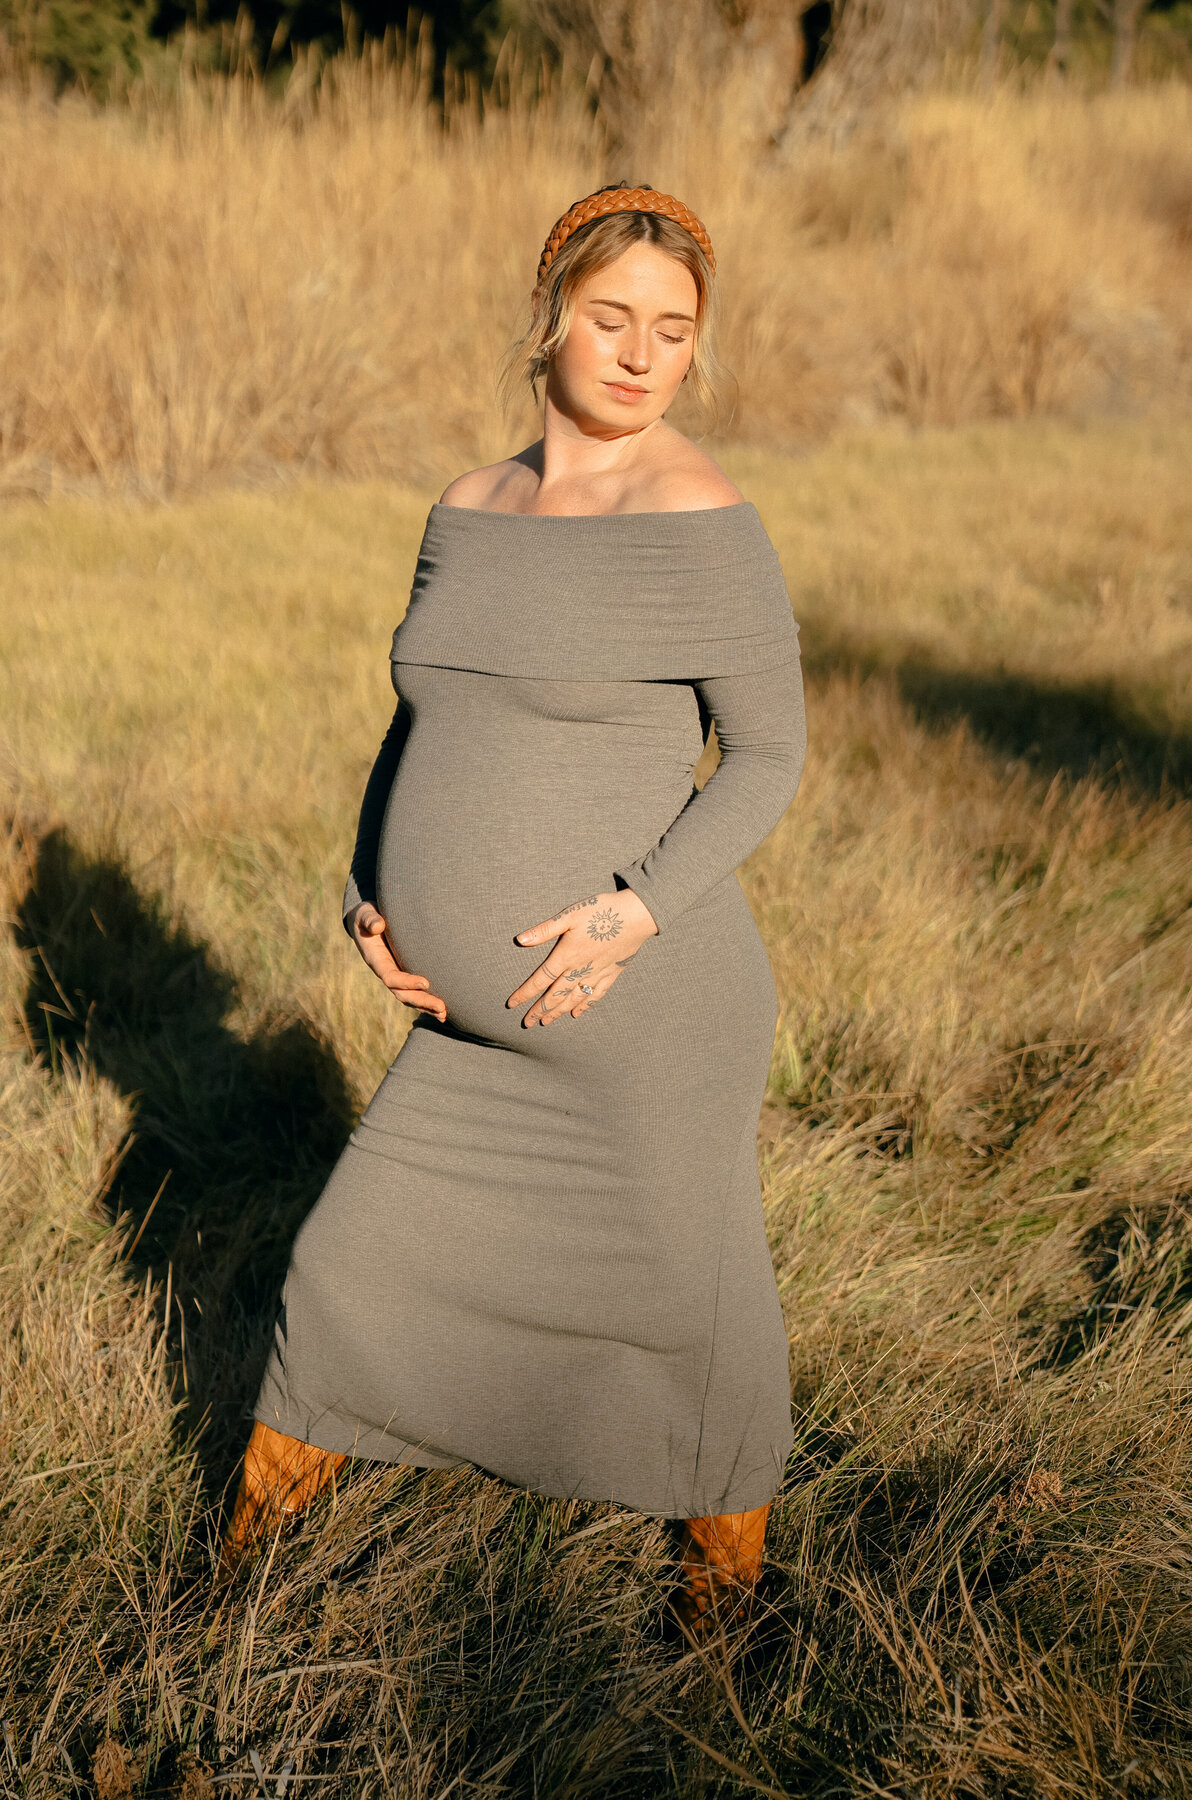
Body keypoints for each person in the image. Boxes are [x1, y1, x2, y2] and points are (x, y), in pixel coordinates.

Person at [221, 183, 808, 1639]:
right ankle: (225, 1601)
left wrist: (631, 914)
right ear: (550, 312)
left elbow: (773, 754)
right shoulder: (467, 510)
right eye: (612, 318)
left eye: (672, 332)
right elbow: (414, 722)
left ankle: (721, 1609)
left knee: (690, 1312)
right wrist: (371, 894)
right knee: (349, 1270)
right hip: (474, 1041)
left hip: (640, 1017)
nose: (638, 354)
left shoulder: (700, 515)